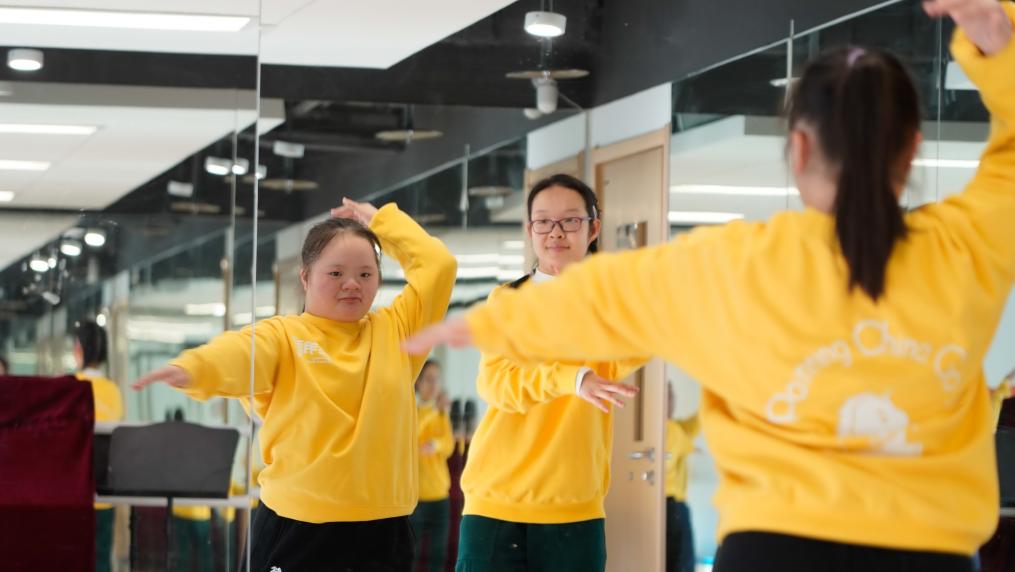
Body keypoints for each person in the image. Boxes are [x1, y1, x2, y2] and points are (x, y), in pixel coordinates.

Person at [406, 2, 1015, 570]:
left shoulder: (738, 260)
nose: (555, 233)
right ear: (913, 147)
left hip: (771, 546)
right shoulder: (965, 247)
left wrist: (486, 325)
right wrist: (1002, 49)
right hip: (929, 548)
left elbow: (612, 291)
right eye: (544, 224)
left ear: (798, 149)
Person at [134, 198, 457, 570]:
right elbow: (240, 352)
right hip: (297, 527)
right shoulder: (284, 336)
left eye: (366, 274)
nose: (352, 284)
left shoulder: (398, 332)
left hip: (383, 530)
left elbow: (438, 266)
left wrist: (382, 221)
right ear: (305, 277)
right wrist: (193, 367)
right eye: (335, 273)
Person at [452, 174, 641, 572]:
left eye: (570, 220)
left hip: (573, 506)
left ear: (593, 228)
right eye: (543, 221)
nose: (555, 232)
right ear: (530, 230)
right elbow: (496, 383)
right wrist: (572, 379)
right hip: (496, 501)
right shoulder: (507, 300)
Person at [74, 319, 124, 572]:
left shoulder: (71, 387)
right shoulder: (113, 391)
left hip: (75, 490)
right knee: (102, 558)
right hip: (106, 489)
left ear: (78, 349)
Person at [411, 360, 455, 572]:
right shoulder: (411, 410)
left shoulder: (441, 414)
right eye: (429, 379)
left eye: (437, 379)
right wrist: (433, 411)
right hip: (415, 499)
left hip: (440, 495)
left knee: (437, 557)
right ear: (418, 382)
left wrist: (436, 444)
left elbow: (448, 446)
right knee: (411, 555)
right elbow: (411, 438)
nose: (434, 384)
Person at [664, 383, 699, 572]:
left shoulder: (675, 428)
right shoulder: (668, 429)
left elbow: (698, 422)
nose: (672, 399)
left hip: (673, 506)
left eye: (672, 394)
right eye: (668, 395)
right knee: (680, 564)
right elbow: (683, 441)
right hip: (670, 506)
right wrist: (692, 448)